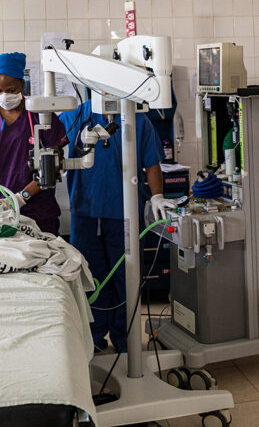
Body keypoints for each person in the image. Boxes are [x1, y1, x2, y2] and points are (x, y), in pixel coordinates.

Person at [58, 97, 175, 353]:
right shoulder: (75, 117)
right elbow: (51, 147)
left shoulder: (136, 118)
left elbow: (152, 163)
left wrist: (157, 196)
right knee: (91, 280)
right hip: (85, 212)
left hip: (124, 213)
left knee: (127, 279)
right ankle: (94, 339)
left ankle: (127, 341)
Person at [0, 52, 66, 236]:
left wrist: (19, 198)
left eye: (11, 90)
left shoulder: (42, 116)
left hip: (37, 213)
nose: (5, 95)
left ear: (22, 85)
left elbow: (52, 167)